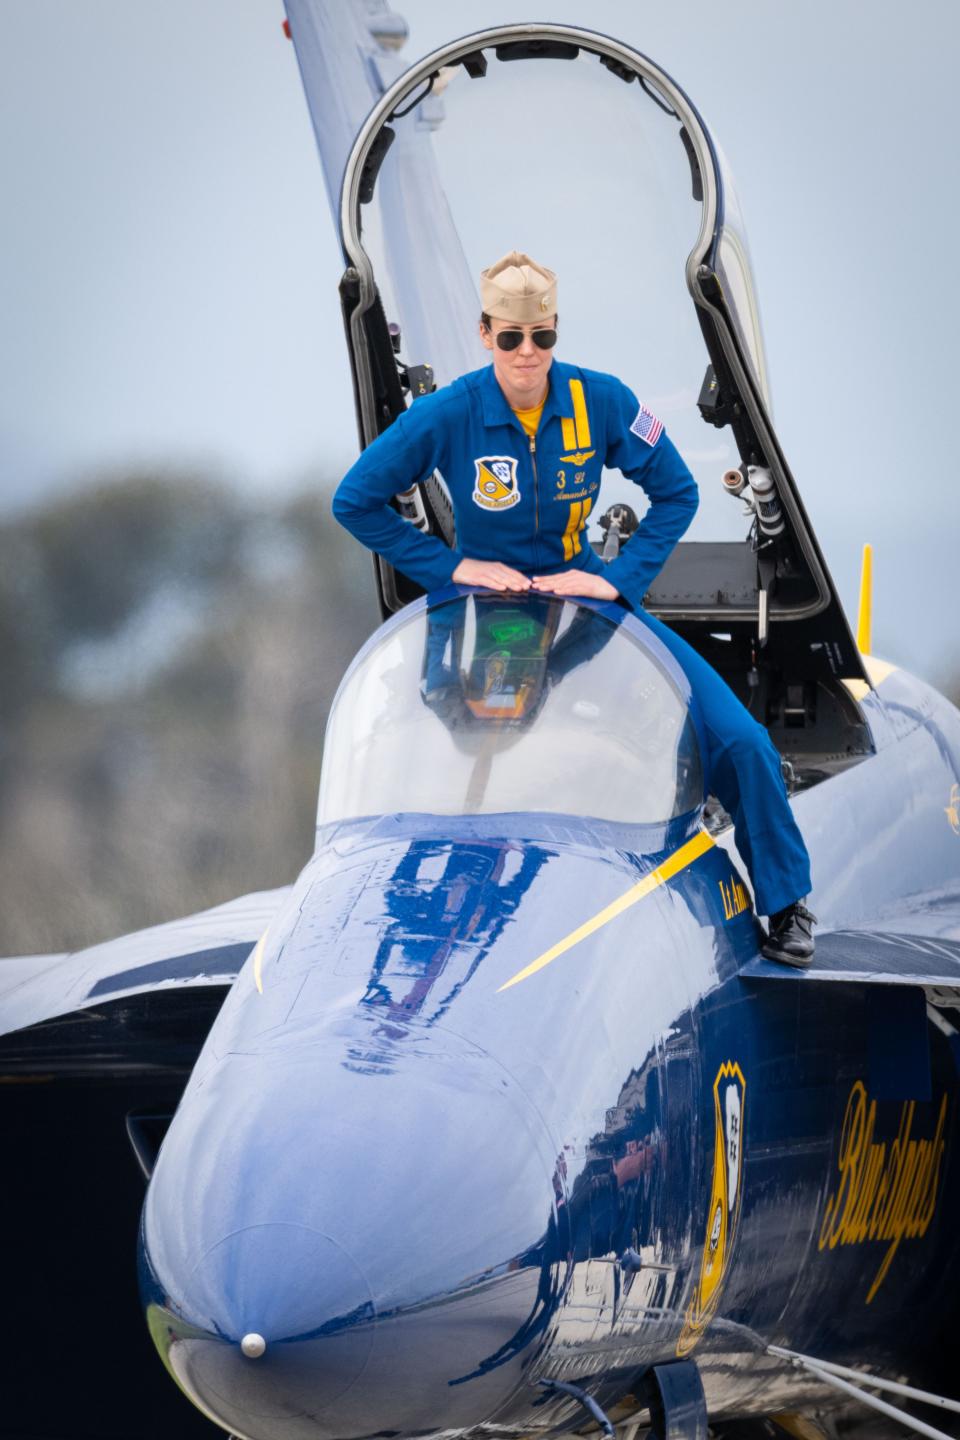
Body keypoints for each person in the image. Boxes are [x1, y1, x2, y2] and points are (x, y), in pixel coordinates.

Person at [333, 251, 815, 966]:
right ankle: (398, 918)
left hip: (584, 603)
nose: (527, 354)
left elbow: (677, 492)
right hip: (477, 607)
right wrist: (453, 566)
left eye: (542, 337)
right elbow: (355, 500)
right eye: (510, 338)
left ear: (556, 330)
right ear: (485, 334)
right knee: (433, 752)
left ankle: (786, 902)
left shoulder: (602, 402)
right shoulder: (450, 413)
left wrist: (616, 580)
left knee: (740, 741)